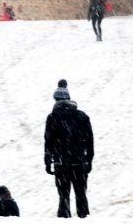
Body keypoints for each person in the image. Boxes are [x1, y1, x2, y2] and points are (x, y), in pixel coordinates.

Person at [44, 79, 93, 219]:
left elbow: (48, 142)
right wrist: (89, 161)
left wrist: (48, 162)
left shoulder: (53, 117)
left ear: (56, 100)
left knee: (63, 197)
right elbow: (89, 142)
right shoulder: (82, 116)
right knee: (81, 196)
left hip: (61, 163)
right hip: (79, 163)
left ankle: (64, 219)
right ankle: (85, 219)